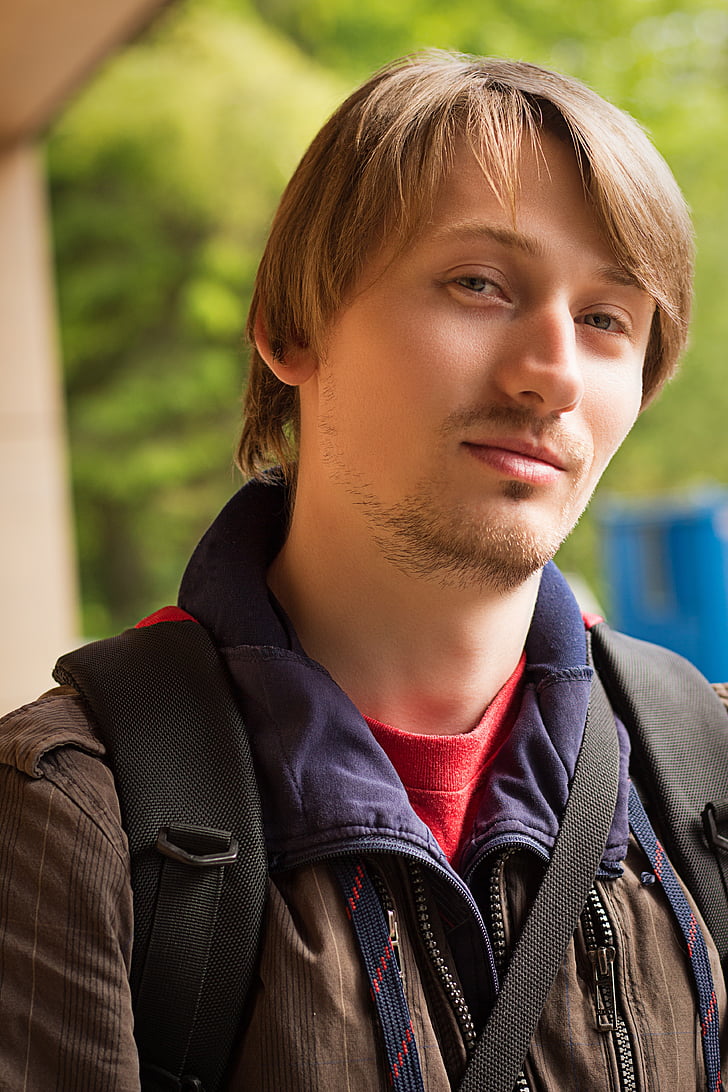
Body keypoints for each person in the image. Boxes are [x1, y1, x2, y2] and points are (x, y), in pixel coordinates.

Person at [0, 50, 724, 1092]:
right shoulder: (73, 818)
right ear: (292, 328)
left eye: (605, 319)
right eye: (478, 284)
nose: (552, 372)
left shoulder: (703, 778)